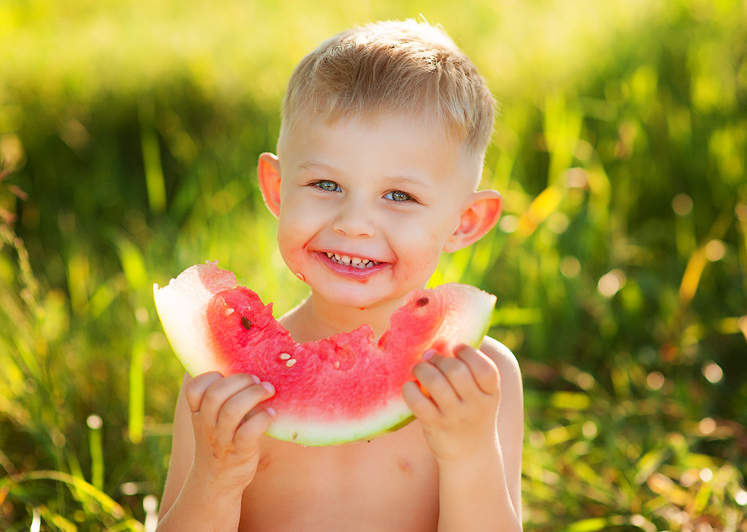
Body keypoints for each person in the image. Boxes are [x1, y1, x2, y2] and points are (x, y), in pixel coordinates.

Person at [156, 19, 524, 532]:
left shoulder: (482, 381)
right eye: (326, 183)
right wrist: (214, 477)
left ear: (465, 222)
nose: (353, 224)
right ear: (278, 189)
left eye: (399, 196)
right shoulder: (222, 382)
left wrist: (470, 455)